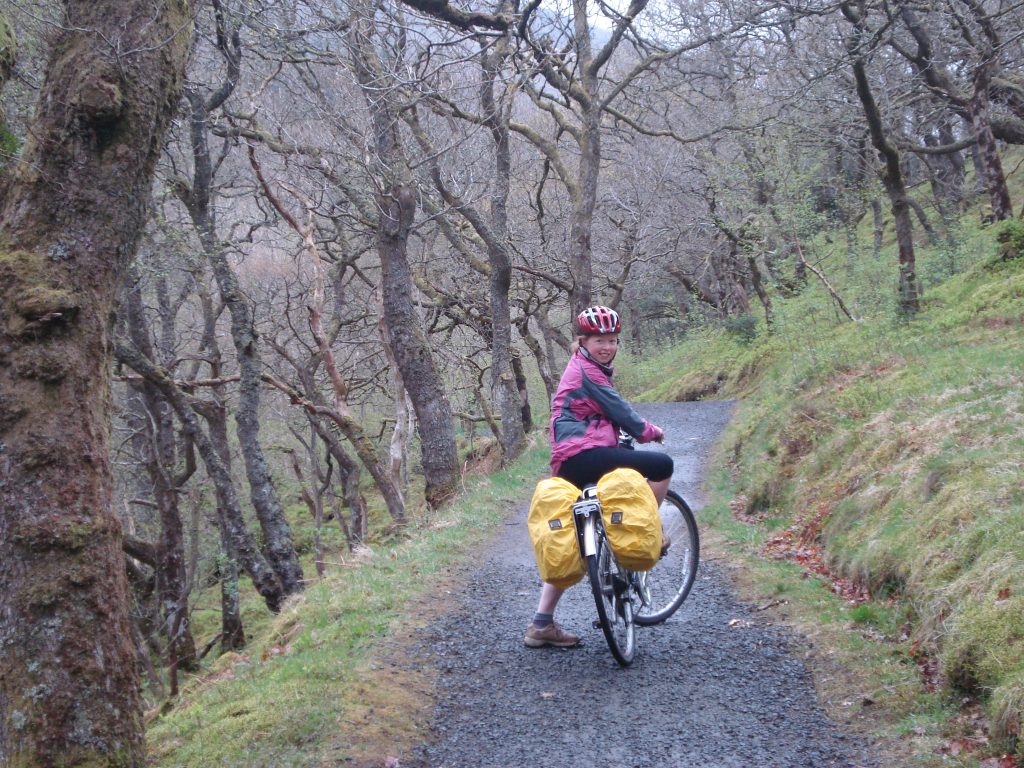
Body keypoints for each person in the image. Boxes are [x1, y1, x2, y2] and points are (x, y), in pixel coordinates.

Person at [524, 305, 673, 649]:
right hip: (586, 457)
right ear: (583, 341)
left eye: (612, 340)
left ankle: (541, 624)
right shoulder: (589, 373)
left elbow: (598, 416)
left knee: (576, 536)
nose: (607, 346)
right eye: (599, 340)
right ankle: (649, 530)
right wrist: (651, 432)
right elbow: (622, 412)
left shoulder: (581, 367)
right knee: (661, 466)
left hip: (567, 463)